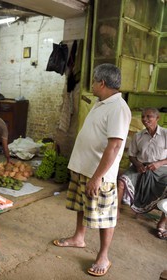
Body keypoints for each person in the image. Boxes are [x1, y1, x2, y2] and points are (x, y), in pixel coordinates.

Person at [53, 63, 131, 276]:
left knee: (106, 216)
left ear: (102, 83)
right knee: (81, 206)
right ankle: (79, 238)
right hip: (83, 169)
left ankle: (104, 256)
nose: (92, 86)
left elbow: (114, 146)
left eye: (94, 81)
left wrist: (97, 177)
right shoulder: (102, 103)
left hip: (99, 175)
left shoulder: (118, 108)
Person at [117, 107, 167, 239]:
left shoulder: (166, 134)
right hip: (141, 167)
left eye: (149, 116)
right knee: (122, 181)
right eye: (143, 117)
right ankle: (116, 210)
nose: (145, 119)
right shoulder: (138, 136)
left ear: (157, 118)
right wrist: (138, 164)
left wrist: (159, 163)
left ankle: (162, 222)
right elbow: (132, 155)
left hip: (161, 169)